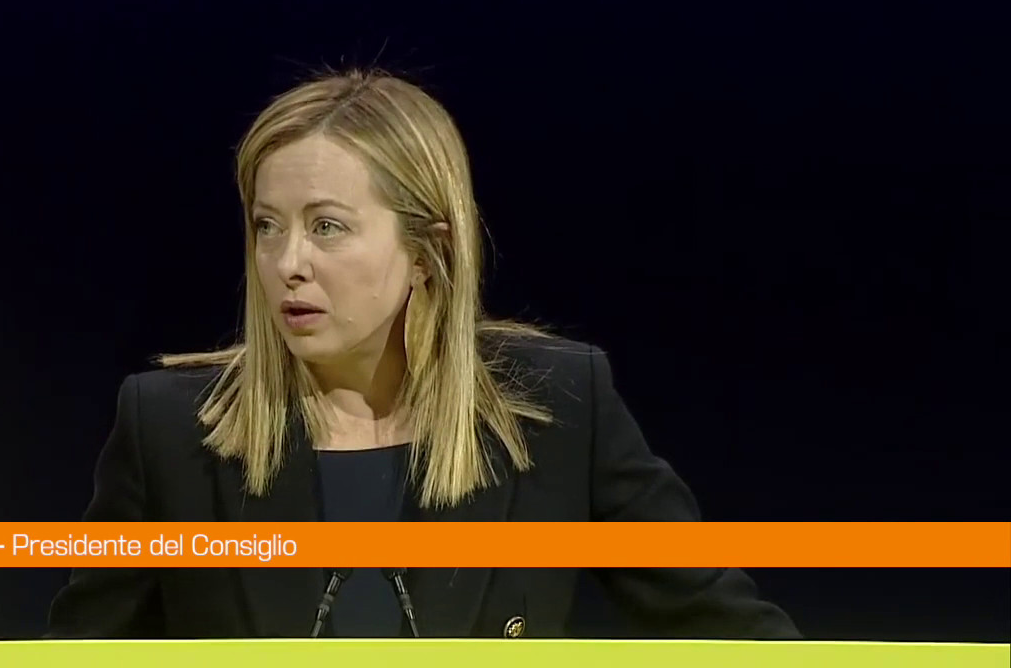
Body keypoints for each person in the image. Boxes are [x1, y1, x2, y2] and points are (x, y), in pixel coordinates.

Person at [45, 68, 800, 640]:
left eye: (327, 227)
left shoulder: (559, 406)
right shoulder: (169, 428)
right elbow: (77, 655)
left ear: (427, 250)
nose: (287, 263)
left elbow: (732, 634)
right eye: (267, 226)